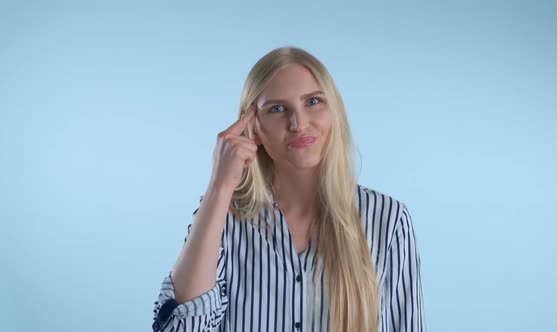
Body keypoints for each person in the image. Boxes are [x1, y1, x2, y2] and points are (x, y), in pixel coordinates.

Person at [152, 46, 425, 332]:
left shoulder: (389, 221)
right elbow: (179, 329)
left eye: (313, 101)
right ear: (253, 127)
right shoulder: (222, 218)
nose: (299, 124)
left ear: (335, 111)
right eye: (277, 109)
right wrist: (220, 186)